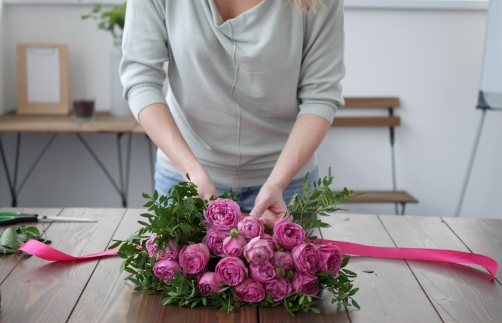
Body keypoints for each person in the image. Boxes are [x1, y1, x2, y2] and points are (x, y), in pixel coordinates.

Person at [120, 0, 344, 228]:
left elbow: (320, 96)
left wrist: (277, 183)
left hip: (286, 186)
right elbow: (141, 80)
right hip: (186, 181)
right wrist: (191, 173)